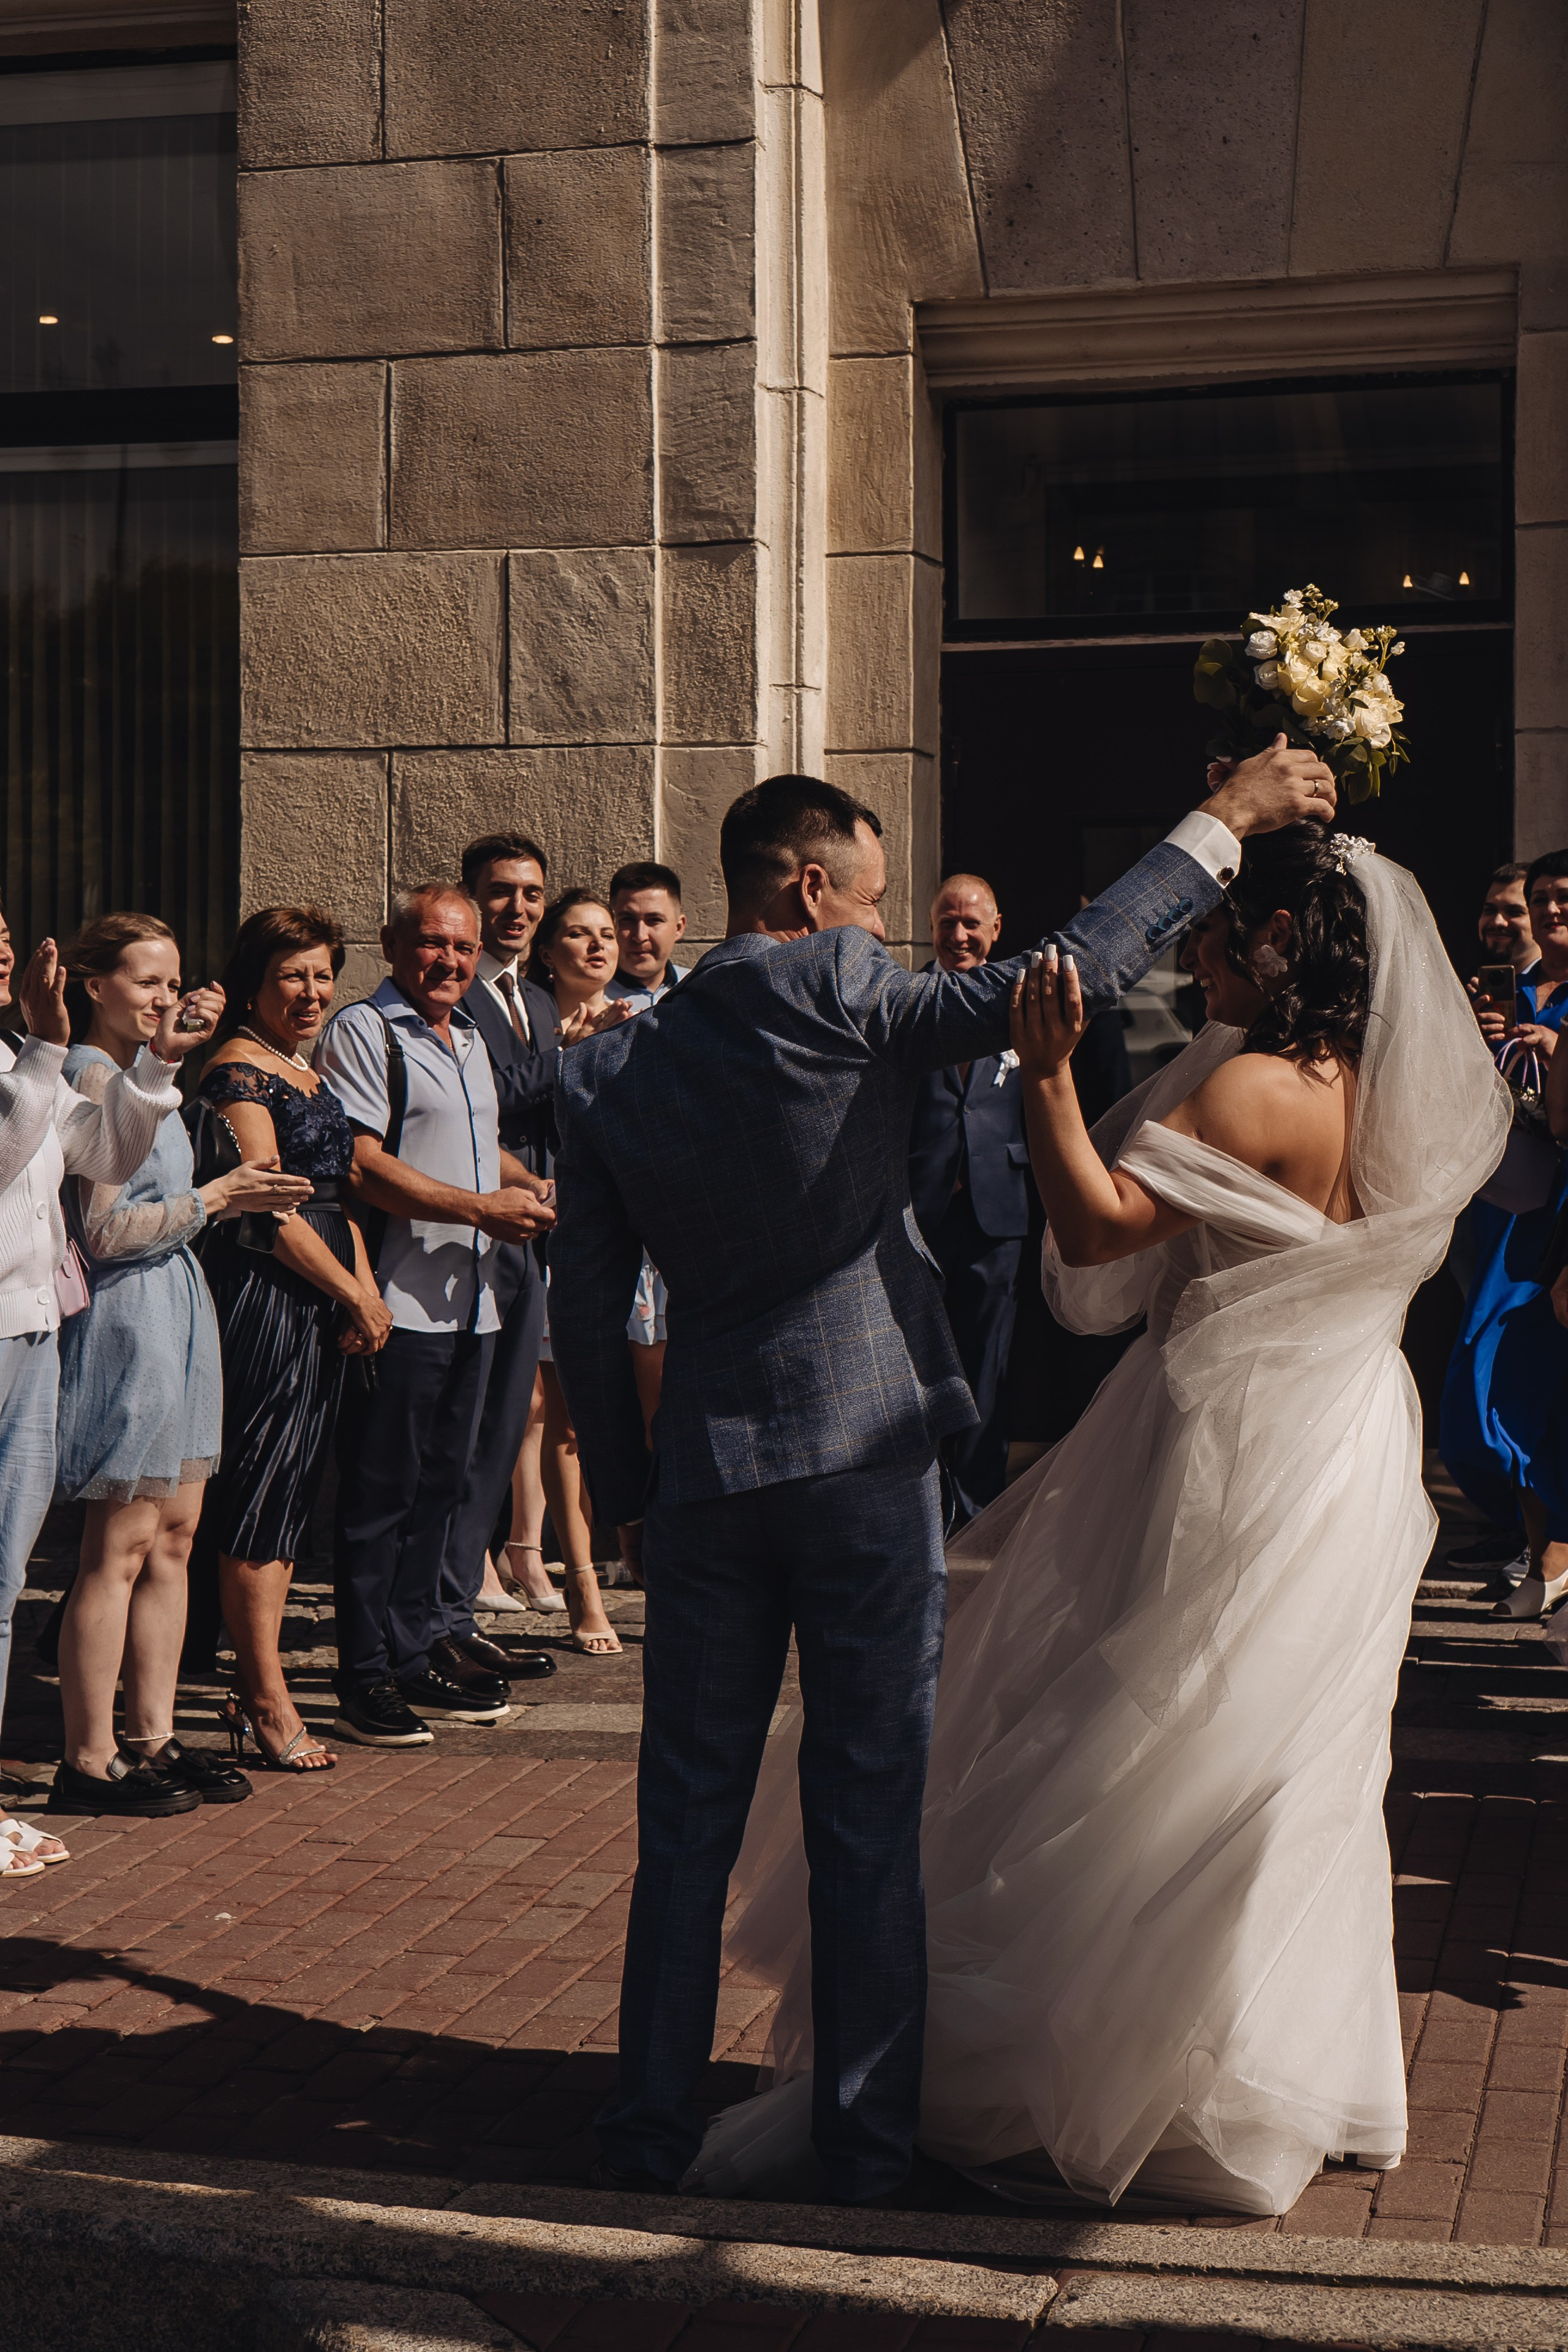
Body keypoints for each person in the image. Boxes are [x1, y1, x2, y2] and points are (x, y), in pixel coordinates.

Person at [548, 745, 1336, 2202]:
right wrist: (1219, 823)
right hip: (862, 1460)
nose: (881, 928)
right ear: (806, 887)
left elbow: (586, 1305)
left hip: (708, 1468)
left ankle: (643, 2129)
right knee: (864, 1808)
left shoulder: (604, 1065)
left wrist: (633, 1478)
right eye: (868, 900)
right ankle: (859, 2144)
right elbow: (1056, 980)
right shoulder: (829, 982)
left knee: (682, 1823)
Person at [703, 826, 1508, 2218]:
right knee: (1294, 1760)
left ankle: (1095, 2068)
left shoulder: (1249, 1087)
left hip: (1233, 1440)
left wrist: (1046, 1078)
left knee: (1150, 1732)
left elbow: (1086, 1233)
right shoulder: (1403, 1093)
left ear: (1268, 947)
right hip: (1359, 1440)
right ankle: (1283, 2078)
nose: (1194, 960)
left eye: (1212, 936)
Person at [48, 913, 309, 1817]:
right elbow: (104, 1232)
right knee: (116, 1543)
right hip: (129, 1319)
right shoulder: (88, 1072)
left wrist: (227, 1201)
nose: (166, 996)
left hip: (180, 1306)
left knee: (175, 1537)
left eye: (173, 981)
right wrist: (219, 1196)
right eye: (147, 982)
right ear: (95, 986)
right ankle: (87, 1752)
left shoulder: (151, 1075)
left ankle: (152, 1735)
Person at [317, 886, 557, 1747]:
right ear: (393, 944)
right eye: (431, 945)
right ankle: (365, 1674)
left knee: (446, 1490)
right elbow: (361, 1162)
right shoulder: (366, 1030)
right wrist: (480, 1210)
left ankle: (419, 1652)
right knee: (382, 1496)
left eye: (462, 947)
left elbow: (470, 1136)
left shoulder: (463, 1035)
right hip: (402, 1304)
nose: (449, 961)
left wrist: (524, 1185)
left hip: (477, 1303)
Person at [185, 906, 394, 1773]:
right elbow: (272, 1206)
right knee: (263, 1492)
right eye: (292, 977)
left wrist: (365, 1294)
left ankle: (244, 1681)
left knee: (289, 1491)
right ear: (254, 983)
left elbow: (337, 1197)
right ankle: (264, 1698)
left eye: (320, 975)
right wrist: (351, 1291)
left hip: (320, 1295)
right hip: (268, 1299)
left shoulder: (300, 1070)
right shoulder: (239, 1072)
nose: (311, 993)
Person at [0, 929, 204, 1766]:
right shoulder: (44, 1053)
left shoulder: (19, 1048)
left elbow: (104, 1151)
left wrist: (156, 1070)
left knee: (6, 1575)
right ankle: (88, 1752)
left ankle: (140, 1742)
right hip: (21, 1318)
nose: (2, 955)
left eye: (5, 938)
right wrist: (49, 1047)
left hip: (34, 1317)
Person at [1442, 848, 1568, 1616]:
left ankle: (1549, 1557)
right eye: (1543, 898)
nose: (1551, 910)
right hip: (1505, 1206)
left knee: (1534, 1376)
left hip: (1556, 1209)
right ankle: (1540, 1548)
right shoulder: (1511, 992)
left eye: (1559, 899)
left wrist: (1559, 1058)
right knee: (1495, 1378)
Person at [447, 832, 564, 1623]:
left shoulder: (543, 997)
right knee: (478, 1397)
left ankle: (490, 1557)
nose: (516, 908)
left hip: (539, 1217)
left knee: (522, 1404)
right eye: (500, 892)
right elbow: (497, 1093)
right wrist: (580, 1054)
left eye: (529, 894)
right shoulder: (456, 990)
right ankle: (471, 1564)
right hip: (472, 1212)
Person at [908, 873, 1031, 1524]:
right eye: (947, 921)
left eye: (971, 922)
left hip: (996, 1213)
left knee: (987, 1365)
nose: (959, 934)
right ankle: (922, 1506)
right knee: (920, 1366)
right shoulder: (905, 1002)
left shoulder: (1017, 1002)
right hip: (919, 1218)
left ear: (995, 927)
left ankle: (977, 1507)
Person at [532, 889, 629, 1657]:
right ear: (549, 948)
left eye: (607, 934)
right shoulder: (529, 1026)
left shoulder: (644, 1018)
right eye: (578, 934)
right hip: (555, 1238)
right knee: (563, 1422)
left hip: (638, 1241)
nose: (597, 947)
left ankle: (643, 1559)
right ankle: (581, 1586)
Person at [607, 862, 689, 1010]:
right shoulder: (585, 998)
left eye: (654, 920)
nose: (640, 936)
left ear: (679, 928)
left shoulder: (700, 989)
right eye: (627, 920)